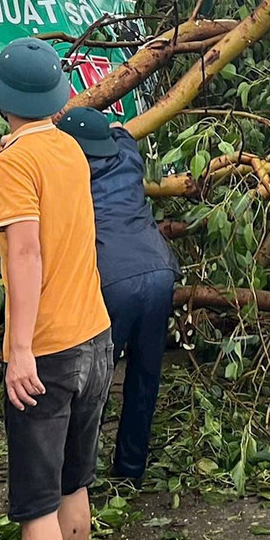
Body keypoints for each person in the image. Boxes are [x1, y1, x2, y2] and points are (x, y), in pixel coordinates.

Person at [0, 37, 113, 540]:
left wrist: (21, 348)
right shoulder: (68, 149)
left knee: (36, 503)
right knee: (73, 486)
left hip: (51, 350)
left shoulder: (15, 162)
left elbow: (26, 254)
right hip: (95, 339)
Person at [54, 105, 179, 485]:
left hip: (113, 281)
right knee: (145, 374)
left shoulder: (70, 171)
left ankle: (77, 474)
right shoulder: (127, 154)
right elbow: (121, 127)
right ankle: (130, 471)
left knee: (96, 378)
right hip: (160, 272)